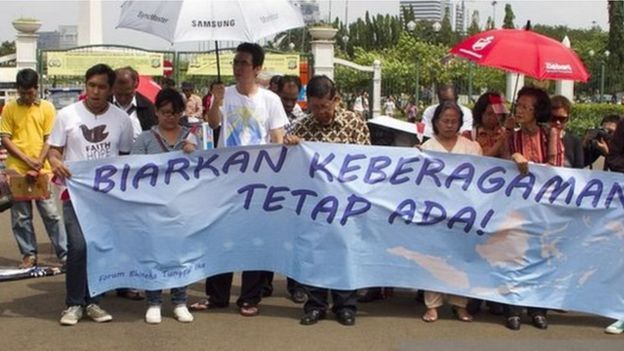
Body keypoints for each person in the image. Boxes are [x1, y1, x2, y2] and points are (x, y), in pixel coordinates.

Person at [194, 42, 288, 317]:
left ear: (257, 68)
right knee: (221, 235)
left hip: (259, 179)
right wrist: (217, 101)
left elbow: (277, 137)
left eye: (243, 63)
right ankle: (216, 295)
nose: (237, 68)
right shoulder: (225, 95)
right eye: (235, 62)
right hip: (226, 179)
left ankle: (250, 297)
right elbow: (212, 125)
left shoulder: (270, 100)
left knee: (254, 238)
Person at [48, 64, 134, 326]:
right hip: (74, 193)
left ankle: (93, 301)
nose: (95, 91)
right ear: (85, 86)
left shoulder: (122, 120)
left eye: (102, 87)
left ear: (111, 90)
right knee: (78, 246)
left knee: (98, 248)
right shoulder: (66, 115)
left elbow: (126, 159)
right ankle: (74, 304)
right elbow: (54, 151)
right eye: (91, 85)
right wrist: (56, 163)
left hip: (106, 197)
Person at [285, 75, 370, 326]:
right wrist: (292, 147)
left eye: (325, 106)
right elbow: (289, 166)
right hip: (314, 203)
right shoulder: (302, 127)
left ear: (336, 100)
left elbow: (367, 162)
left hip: (346, 203)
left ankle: (345, 306)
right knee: (315, 253)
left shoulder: (355, 123)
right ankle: (316, 304)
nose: (320, 112)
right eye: (314, 106)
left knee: (345, 252)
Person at [131, 88, 196, 324]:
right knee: (154, 253)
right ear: (156, 112)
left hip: (183, 207)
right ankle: (154, 301)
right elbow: (134, 170)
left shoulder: (192, 137)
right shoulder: (145, 139)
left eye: (175, 112)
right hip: (153, 207)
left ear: (181, 113)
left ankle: (180, 300)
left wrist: (195, 153)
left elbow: (207, 169)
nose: (170, 117)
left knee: (181, 254)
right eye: (165, 112)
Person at [505, 86, 563, 330]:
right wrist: (514, 155)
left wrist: (534, 166)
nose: (520, 110)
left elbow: (555, 166)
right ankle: (513, 309)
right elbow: (500, 161)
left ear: (537, 111)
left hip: (542, 207)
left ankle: (538, 309)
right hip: (516, 206)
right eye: (519, 105)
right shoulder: (512, 135)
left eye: (526, 107)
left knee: (540, 255)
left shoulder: (551, 134)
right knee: (515, 255)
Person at [419, 101, 481, 323]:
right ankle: (432, 305)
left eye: (454, 121)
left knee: (461, 259)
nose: (450, 125)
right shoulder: (426, 149)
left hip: (463, 212)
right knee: (434, 257)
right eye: (445, 121)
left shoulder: (472, 148)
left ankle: (459, 304)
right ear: (436, 122)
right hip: (435, 212)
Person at [0, 68, 66, 269]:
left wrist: (37, 163)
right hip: (17, 170)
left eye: (30, 92)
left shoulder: (47, 108)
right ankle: (28, 255)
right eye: (22, 92)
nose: (26, 96)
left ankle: (65, 253)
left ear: (37, 88)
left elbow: (50, 138)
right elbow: (5, 138)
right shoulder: (10, 108)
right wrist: (27, 161)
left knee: (51, 214)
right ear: (17, 90)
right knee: (21, 217)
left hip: (42, 170)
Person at [261, 74, 307, 303]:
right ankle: (264, 283)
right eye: (285, 98)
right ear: (277, 92)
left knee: (295, 235)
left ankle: (296, 284)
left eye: (293, 98)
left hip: (295, 183)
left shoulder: (304, 118)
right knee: (268, 233)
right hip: (270, 179)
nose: (289, 103)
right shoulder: (267, 112)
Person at [112, 66, 157, 141]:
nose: (123, 98)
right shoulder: (103, 105)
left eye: (128, 94)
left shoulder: (148, 108)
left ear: (136, 84)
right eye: (118, 94)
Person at [461, 91, 508, 159]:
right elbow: (477, 161)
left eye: (498, 114)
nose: (494, 118)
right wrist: (499, 144)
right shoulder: (469, 136)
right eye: (489, 114)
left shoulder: (506, 134)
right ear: (480, 113)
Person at [550, 95, 584, 168]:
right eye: (553, 118)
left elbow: (579, 169)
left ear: (568, 118)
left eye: (562, 119)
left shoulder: (575, 141)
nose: (557, 122)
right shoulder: (540, 138)